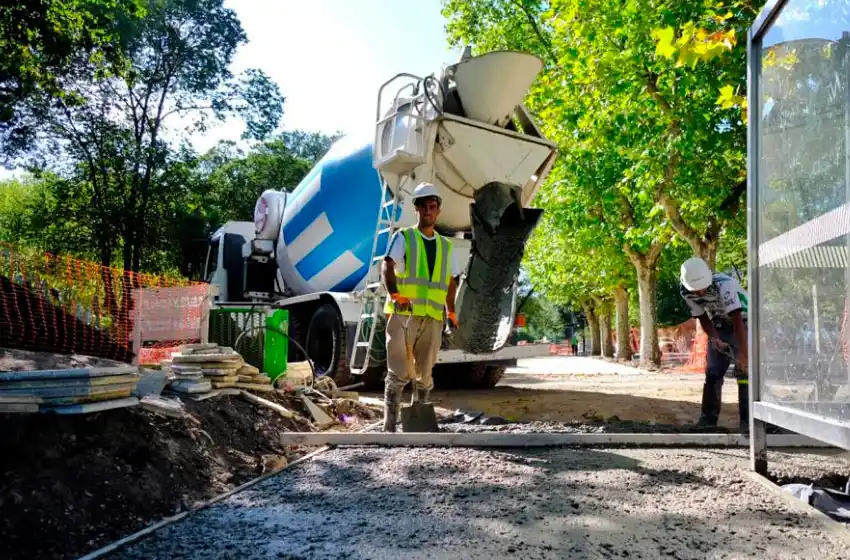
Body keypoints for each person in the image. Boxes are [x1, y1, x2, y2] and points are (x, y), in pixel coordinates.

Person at [381, 182, 461, 432]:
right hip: (405, 315)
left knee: (425, 372)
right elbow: (388, 265)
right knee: (399, 372)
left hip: (433, 317)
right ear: (416, 209)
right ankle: (390, 427)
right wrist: (394, 294)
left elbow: (451, 280)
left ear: (437, 210)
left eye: (432, 206)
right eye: (423, 206)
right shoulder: (404, 237)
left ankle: (419, 423)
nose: (428, 210)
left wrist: (451, 310)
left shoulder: (447, 246)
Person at [679, 257, 749, 431]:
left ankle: (749, 422)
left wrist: (743, 354)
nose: (700, 293)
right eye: (696, 290)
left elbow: (737, 318)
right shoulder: (686, 291)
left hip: (745, 323)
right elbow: (702, 316)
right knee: (713, 372)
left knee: (745, 372)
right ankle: (708, 420)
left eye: (702, 288)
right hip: (719, 323)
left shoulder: (726, 284)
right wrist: (715, 338)